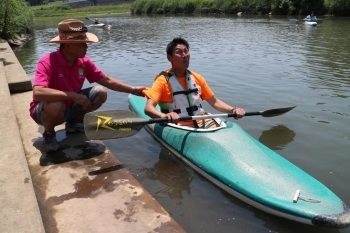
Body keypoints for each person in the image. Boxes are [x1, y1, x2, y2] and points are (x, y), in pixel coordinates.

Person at [29, 19, 146, 152]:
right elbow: (38, 92)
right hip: (45, 110)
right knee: (56, 104)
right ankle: (49, 134)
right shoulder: (47, 62)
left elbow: (106, 80)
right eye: (82, 44)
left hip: (69, 106)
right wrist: (73, 95)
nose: (87, 47)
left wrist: (133, 89)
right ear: (68, 46)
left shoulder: (84, 61)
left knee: (101, 92)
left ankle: (73, 123)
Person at [142, 37, 245, 127]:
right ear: (169, 58)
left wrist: (233, 110)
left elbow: (215, 102)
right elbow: (148, 109)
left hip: (201, 121)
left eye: (186, 51)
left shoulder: (197, 77)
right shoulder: (162, 81)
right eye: (179, 52)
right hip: (177, 125)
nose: (184, 55)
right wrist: (163, 116)